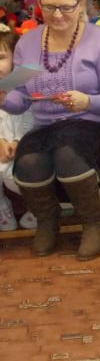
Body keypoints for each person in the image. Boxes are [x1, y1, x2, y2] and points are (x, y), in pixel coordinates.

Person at [0, 0, 100, 261]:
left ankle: (94, 221)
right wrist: (4, 96)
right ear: (39, 2)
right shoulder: (29, 44)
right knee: (28, 159)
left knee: (67, 153)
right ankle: (48, 221)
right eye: (49, 7)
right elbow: (20, 98)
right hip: (48, 127)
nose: (57, 15)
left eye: (66, 7)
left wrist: (87, 102)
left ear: (81, 3)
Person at [0, 23, 35, 231]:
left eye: (1, 58)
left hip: (23, 145)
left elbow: (31, 117)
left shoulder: (23, 84)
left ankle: (38, 208)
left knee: (19, 177)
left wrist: (17, 141)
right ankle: (2, 207)